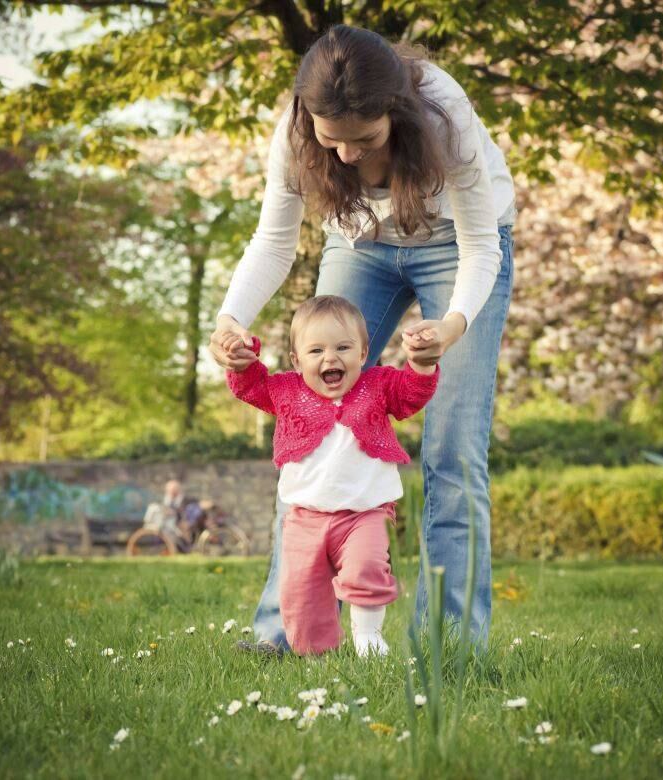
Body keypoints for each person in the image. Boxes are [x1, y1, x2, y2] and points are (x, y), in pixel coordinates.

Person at [209, 25, 516, 655]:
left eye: (365, 138)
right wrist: (230, 319)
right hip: (361, 249)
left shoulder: (443, 112)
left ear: (396, 112)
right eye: (332, 140)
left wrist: (451, 328)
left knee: (453, 453)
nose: (346, 156)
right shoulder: (297, 129)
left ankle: (451, 647)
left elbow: (482, 244)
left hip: (457, 249)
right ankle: (283, 634)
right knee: (308, 424)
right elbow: (273, 240)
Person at [224, 296, 438, 655]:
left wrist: (422, 365)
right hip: (305, 518)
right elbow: (251, 386)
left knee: (367, 568)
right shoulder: (287, 391)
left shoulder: (378, 385)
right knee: (301, 593)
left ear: (362, 352)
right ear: (296, 360)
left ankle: (368, 636)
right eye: (316, 351)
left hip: (366, 513)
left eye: (343, 347)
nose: (330, 358)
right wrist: (243, 360)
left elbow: (410, 395)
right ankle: (316, 657)